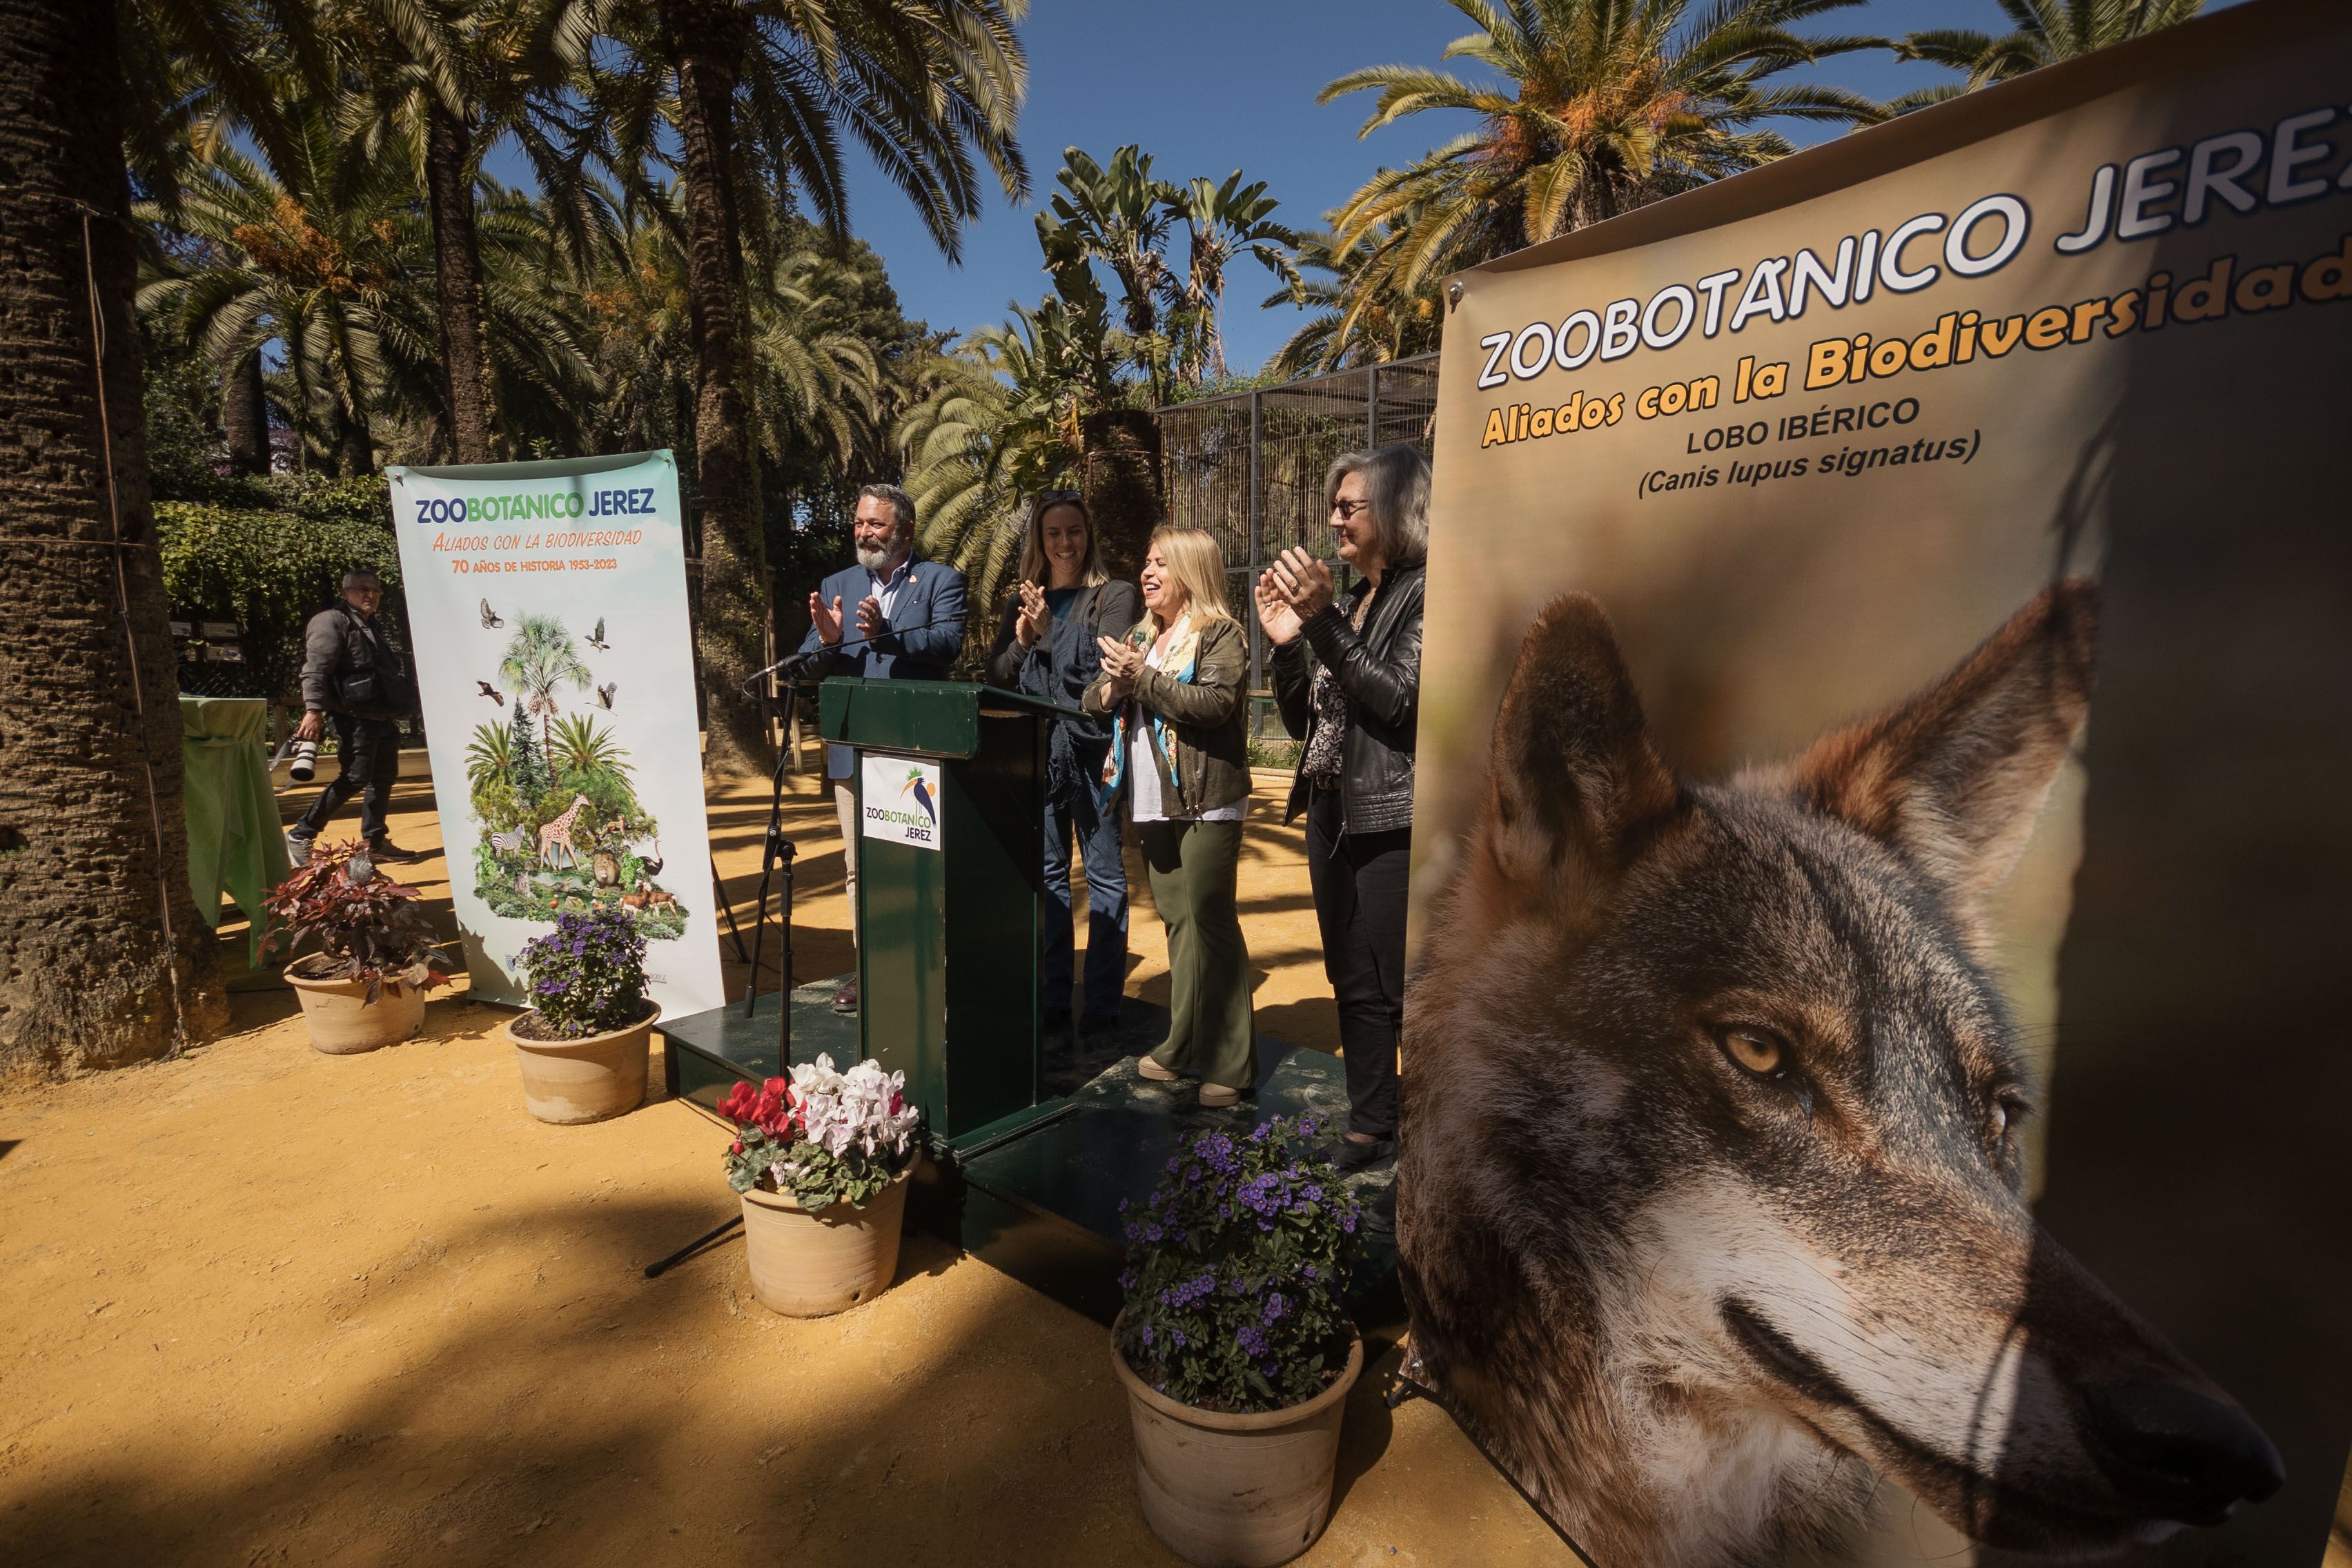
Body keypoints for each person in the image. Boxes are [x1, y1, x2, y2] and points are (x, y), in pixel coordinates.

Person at [1259, 444, 1429, 1173]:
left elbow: (1397, 698)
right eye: (1334, 505)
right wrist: (1289, 646)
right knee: (1352, 980)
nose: (1333, 517)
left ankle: (1427, 1137)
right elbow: (1309, 724)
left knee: (1402, 988)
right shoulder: (1356, 600)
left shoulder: (1425, 590)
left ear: (1394, 510)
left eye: (1348, 505)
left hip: (1390, 813)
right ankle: (1369, 1125)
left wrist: (1325, 619)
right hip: (1330, 805)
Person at [1086, 527, 1253, 1108]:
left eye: (1162, 563)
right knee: (1179, 923)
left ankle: (1231, 1063)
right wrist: (1110, 690)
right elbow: (1094, 695)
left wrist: (1142, 680)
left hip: (1208, 800)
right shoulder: (1142, 633)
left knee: (1211, 921)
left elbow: (1213, 704)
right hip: (1153, 802)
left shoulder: (1221, 635)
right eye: (1147, 562)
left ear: (1191, 572)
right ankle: (1182, 1045)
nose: (1147, 573)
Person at [798, 482, 968, 1014]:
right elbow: (805, 669)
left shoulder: (942, 580)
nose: (864, 533)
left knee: (923, 866)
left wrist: (889, 633)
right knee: (860, 868)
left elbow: (948, 643)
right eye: (859, 523)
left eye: (876, 524)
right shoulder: (837, 584)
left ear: (906, 531)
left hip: (916, 754)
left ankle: (933, 968)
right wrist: (826, 644)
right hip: (855, 754)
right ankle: (871, 968)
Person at [986, 491, 1141, 1032]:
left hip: (1094, 756)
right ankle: (1053, 996)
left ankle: (1100, 1003)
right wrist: (1026, 636)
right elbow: (1001, 676)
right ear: (1039, 540)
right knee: (1049, 873)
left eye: (1073, 531)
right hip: (1041, 757)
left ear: (1088, 534)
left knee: (1104, 876)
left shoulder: (1114, 594)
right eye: (1053, 534)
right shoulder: (1023, 603)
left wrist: (1050, 631)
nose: (1065, 543)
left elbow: (1106, 660)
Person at [288, 569, 420, 866]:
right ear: (344, 592)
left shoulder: (371, 625)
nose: (369, 595)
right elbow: (315, 669)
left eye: (375, 590)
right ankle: (301, 833)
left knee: (384, 778)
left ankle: (374, 843)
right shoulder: (331, 621)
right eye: (362, 589)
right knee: (354, 777)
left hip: (380, 716)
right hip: (352, 717)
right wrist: (313, 711)